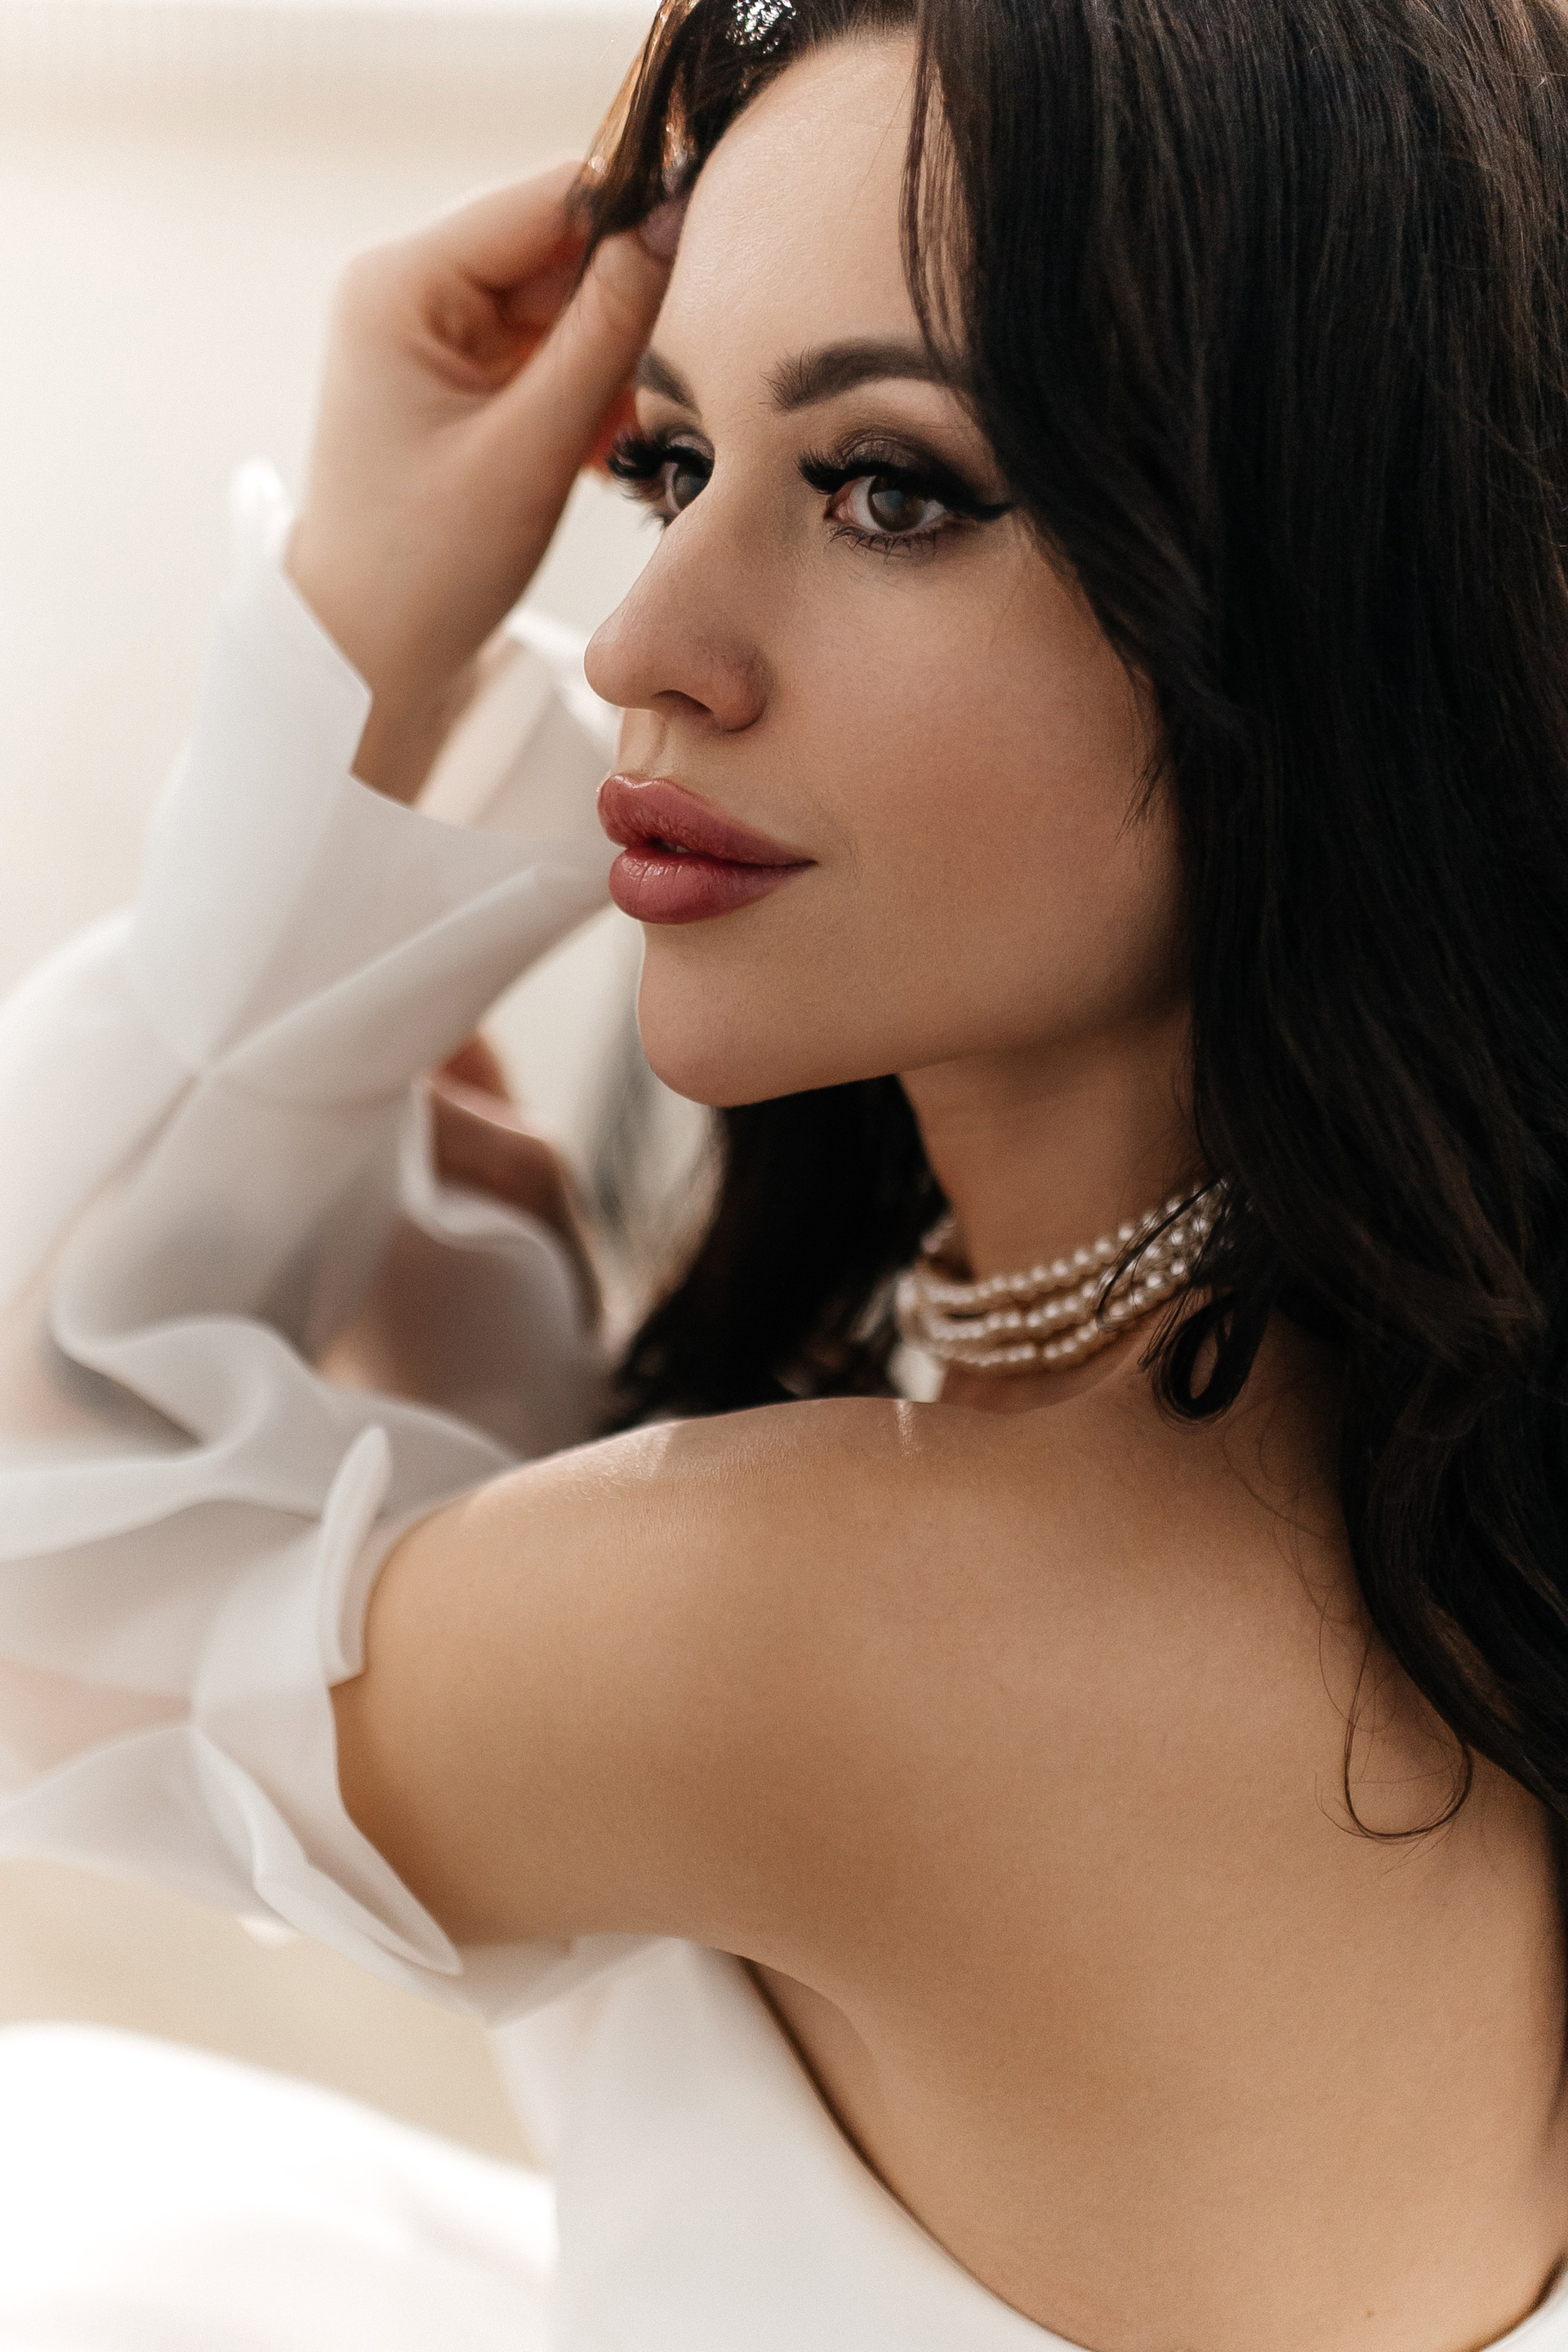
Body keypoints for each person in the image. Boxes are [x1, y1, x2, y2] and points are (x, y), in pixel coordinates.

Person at [1, 0, 1566, 2344]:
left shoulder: (834, 1623)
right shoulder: (1401, 1491)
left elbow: (38, 1608)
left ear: (1337, 582)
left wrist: (359, 626)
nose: (644, 642)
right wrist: (525, 1380)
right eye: (664, 461)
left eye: (889, 490)